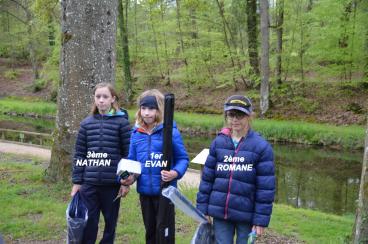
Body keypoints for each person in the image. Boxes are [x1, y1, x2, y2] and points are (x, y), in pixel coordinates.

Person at [196, 95, 275, 244]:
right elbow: (207, 179)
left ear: (249, 116)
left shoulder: (262, 147)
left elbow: (266, 188)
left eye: (240, 115)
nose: (235, 119)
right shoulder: (218, 143)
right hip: (221, 213)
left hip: (247, 215)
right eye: (231, 115)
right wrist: (203, 208)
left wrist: (260, 219)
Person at [121, 89, 189, 244]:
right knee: (150, 231)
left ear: (160, 109)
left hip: (165, 193)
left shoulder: (170, 131)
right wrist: (128, 178)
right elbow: (132, 162)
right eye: (143, 108)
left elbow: (183, 159)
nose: (146, 113)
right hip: (145, 192)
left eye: (151, 109)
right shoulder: (136, 133)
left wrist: (175, 173)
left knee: (164, 232)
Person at [70, 82, 131, 244]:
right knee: (90, 222)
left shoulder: (122, 123)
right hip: (89, 185)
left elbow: (127, 156)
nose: (101, 100)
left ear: (113, 99)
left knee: (110, 225)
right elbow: (80, 154)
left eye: (105, 97)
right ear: (94, 99)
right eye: (98, 97)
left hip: (112, 185)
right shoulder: (86, 124)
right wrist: (77, 182)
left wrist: (125, 182)